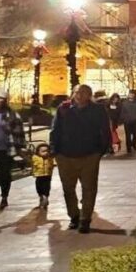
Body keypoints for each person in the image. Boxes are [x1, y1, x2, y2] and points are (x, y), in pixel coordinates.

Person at [49, 84, 111, 232]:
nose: (80, 95)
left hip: (89, 155)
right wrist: (54, 150)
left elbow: (105, 130)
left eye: (84, 92)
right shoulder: (63, 109)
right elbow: (55, 129)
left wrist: (100, 151)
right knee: (68, 188)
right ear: (73, 94)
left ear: (89, 95)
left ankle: (85, 219)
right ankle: (74, 216)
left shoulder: (98, 110)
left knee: (89, 188)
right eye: (77, 92)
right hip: (65, 155)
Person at [31, 142, 55, 209]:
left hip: (47, 175)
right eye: (43, 151)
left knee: (46, 187)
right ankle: (41, 196)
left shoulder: (50, 158)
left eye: (47, 151)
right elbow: (29, 159)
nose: (46, 152)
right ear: (38, 152)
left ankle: (45, 197)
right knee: (39, 187)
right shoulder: (35, 158)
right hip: (39, 176)